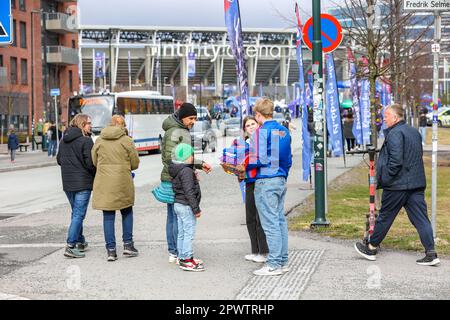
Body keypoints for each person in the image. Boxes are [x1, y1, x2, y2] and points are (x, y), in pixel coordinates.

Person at [354, 104, 440, 266]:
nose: (384, 119)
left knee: (385, 216)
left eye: (386, 116)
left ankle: (371, 247)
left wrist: (386, 179)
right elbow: (415, 155)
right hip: (415, 183)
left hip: (397, 185)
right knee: (421, 219)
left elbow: (395, 161)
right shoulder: (413, 131)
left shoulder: (394, 134)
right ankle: (431, 252)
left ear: (395, 117)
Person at [155, 102, 212, 264]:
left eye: (195, 118)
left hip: (177, 176)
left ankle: (178, 251)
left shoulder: (181, 129)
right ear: (182, 117)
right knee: (175, 216)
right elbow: (171, 157)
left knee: (175, 216)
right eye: (190, 118)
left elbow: (182, 156)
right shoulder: (175, 131)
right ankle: (176, 252)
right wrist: (189, 170)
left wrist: (197, 165)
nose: (193, 121)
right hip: (174, 179)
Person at [247, 98, 293, 276]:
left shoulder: (260, 132)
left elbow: (258, 159)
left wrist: (244, 166)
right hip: (280, 178)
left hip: (266, 179)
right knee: (280, 221)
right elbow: (288, 158)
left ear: (258, 115)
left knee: (270, 223)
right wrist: (283, 174)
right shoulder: (283, 131)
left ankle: (273, 263)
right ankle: (282, 261)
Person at [91, 115, 140, 261]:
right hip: (122, 181)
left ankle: (111, 250)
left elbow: (94, 160)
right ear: (123, 125)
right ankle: (128, 245)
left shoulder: (99, 140)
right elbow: (135, 163)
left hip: (104, 181)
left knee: (108, 215)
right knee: (126, 211)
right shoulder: (126, 140)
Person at [57, 114, 95, 259]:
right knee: (78, 214)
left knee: (75, 213)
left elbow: (59, 160)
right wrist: (93, 174)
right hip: (83, 183)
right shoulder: (86, 141)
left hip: (67, 183)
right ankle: (71, 245)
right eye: (88, 123)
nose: (90, 126)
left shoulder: (63, 140)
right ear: (81, 124)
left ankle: (80, 241)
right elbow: (90, 164)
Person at [169, 143, 205, 272]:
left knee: (182, 233)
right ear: (187, 157)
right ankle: (187, 259)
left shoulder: (176, 168)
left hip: (178, 204)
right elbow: (189, 191)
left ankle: (181, 256)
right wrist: (196, 209)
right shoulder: (186, 171)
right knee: (188, 233)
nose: (192, 157)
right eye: (191, 155)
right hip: (186, 205)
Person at [239, 116, 269, 263]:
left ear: (258, 125)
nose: (251, 126)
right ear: (245, 129)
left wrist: (245, 165)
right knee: (250, 218)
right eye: (247, 125)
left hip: (260, 180)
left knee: (259, 218)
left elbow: (262, 160)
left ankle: (264, 252)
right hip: (248, 182)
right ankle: (255, 250)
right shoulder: (243, 143)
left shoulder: (261, 141)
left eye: (253, 124)